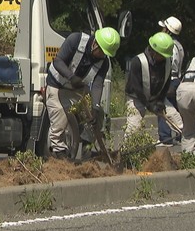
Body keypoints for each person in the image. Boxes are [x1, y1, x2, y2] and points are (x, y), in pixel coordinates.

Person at [46, 27, 121, 159]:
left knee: (96, 116)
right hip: (57, 85)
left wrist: (95, 106)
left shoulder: (104, 62)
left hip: (78, 89)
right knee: (60, 118)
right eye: (102, 52)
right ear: (95, 44)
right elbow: (58, 61)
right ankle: (59, 153)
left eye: (106, 53)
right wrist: (71, 77)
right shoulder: (75, 40)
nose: (103, 55)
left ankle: (87, 148)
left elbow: (97, 84)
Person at [123, 32, 183, 144]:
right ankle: (125, 154)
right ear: (154, 51)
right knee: (133, 128)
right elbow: (136, 86)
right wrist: (148, 104)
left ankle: (193, 152)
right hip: (137, 97)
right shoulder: (138, 61)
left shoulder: (167, 62)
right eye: (162, 55)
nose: (164, 57)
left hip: (156, 96)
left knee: (177, 120)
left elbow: (166, 82)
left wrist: (160, 100)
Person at [156, 16, 185, 147]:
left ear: (168, 30)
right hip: (177, 80)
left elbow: (167, 63)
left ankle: (165, 138)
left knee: (162, 106)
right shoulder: (179, 46)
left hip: (169, 80)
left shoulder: (168, 45)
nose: (162, 29)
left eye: (164, 27)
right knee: (175, 107)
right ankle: (180, 137)